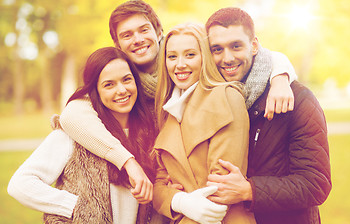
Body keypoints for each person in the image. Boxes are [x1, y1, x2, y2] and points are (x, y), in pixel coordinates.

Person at [58, 0, 297, 180]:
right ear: (117, 44)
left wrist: (280, 76)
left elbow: (246, 53)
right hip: (161, 181)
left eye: (143, 30)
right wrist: (126, 161)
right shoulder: (122, 82)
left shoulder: (186, 61)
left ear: (158, 31)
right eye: (127, 35)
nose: (138, 39)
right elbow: (71, 115)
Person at [204, 8, 332, 224]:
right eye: (217, 49)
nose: (227, 58)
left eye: (236, 46)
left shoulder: (297, 99)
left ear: (254, 46)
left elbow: (316, 184)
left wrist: (248, 190)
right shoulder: (211, 100)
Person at [8, 47, 157, 224]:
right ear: (95, 91)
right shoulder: (76, 133)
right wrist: (77, 208)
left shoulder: (149, 134)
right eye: (109, 84)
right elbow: (20, 184)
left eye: (127, 79)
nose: (121, 90)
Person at [152, 22, 259, 224]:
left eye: (190, 54)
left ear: (205, 57)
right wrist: (178, 201)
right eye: (172, 57)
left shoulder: (226, 98)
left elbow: (221, 191)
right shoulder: (169, 109)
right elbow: (158, 184)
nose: (179, 65)